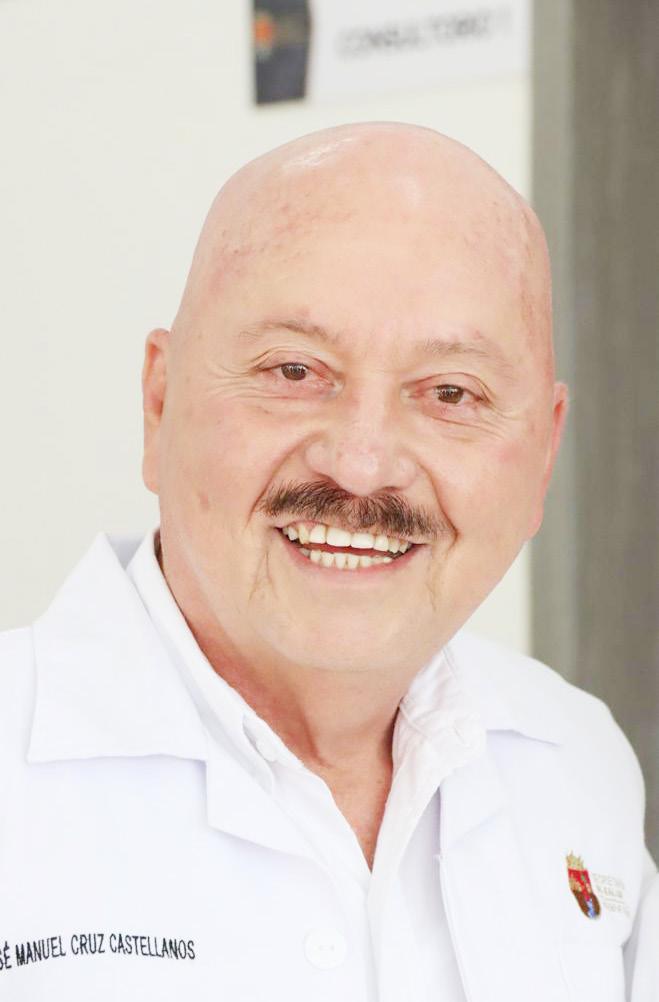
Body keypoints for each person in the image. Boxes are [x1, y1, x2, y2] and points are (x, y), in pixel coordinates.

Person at [0, 122, 656, 1002]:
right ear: (159, 402)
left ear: (543, 453)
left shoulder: (575, 760)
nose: (360, 465)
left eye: (450, 392)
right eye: (294, 372)